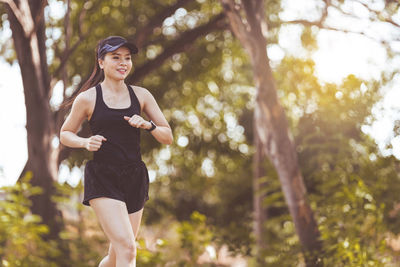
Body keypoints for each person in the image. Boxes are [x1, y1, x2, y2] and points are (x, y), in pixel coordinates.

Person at [60, 36, 173, 267]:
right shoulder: (88, 98)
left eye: (127, 58)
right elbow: (65, 133)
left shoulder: (141, 95)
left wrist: (147, 125)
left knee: (116, 255)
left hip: (134, 176)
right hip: (103, 176)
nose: (123, 63)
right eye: (116, 57)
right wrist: (85, 142)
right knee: (128, 249)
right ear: (101, 62)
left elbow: (167, 136)